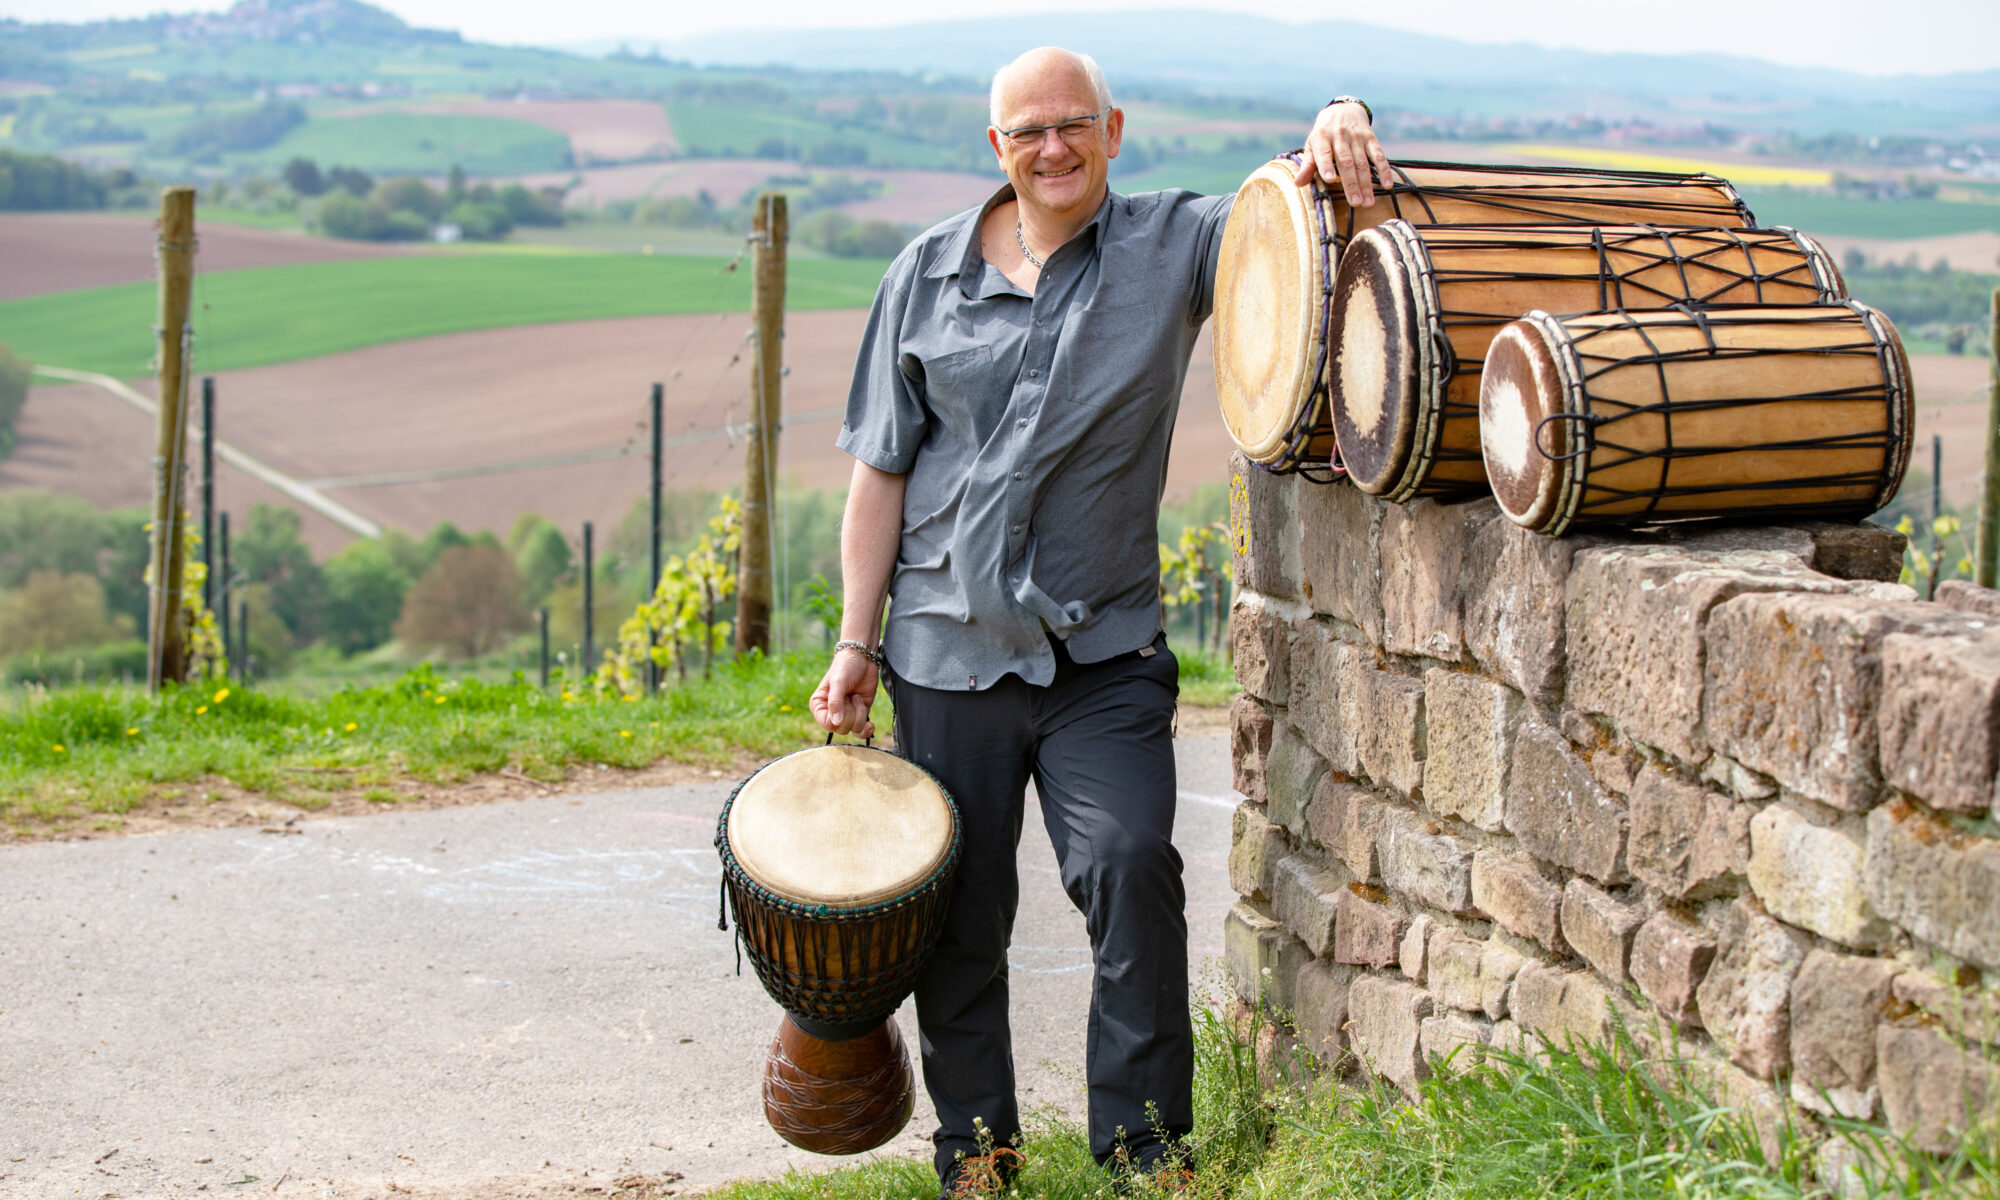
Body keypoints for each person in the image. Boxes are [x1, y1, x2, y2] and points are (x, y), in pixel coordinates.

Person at [808, 46, 1392, 1198]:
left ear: (1113, 131)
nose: (1052, 148)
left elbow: (1295, 210)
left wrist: (1342, 112)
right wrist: (853, 641)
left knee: (1128, 865)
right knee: (958, 910)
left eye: (1072, 125)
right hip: (941, 651)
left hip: (1101, 654)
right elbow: (878, 474)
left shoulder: (1172, 245)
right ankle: (978, 1152)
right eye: (1027, 132)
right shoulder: (919, 277)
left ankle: (1142, 1148)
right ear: (996, 148)